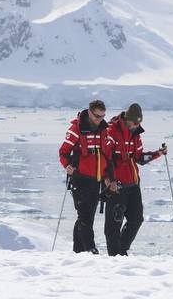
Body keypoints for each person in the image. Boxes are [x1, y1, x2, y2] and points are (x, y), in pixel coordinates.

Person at [103, 103, 167, 256]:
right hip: (116, 185)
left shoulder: (136, 134)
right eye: (135, 123)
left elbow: (139, 158)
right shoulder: (111, 131)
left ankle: (121, 250)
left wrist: (158, 153)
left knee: (136, 219)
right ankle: (114, 256)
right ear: (127, 119)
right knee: (113, 224)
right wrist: (109, 180)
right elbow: (105, 159)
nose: (137, 125)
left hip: (133, 184)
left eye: (139, 123)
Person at [58, 99, 110, 254]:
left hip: (96, 179)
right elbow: (63, 151)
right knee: (84, 216)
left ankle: (78, 252)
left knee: (87, 216)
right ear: (89, 112)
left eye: (102, 116)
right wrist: (67, 165)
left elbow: (106, 155)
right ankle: (90, 249)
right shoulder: (76, 129)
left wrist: (107, 175)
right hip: (80, 178)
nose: (99, 119)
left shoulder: (103, 129)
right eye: (97, 116)